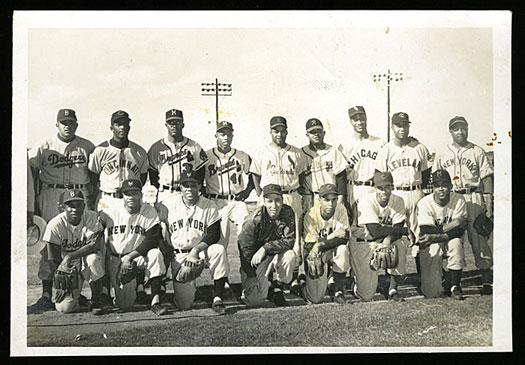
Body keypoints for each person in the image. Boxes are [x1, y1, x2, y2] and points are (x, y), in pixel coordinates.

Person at [27, 108, 96, 313]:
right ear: (57, 125)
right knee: (48, 245)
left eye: (71, 123)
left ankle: (76, 291)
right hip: (51, 195)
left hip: (78, 196)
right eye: (63, 123)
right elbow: (30, 173)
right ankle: (47, 294)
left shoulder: (86, 146)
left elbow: (94, 176)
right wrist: (34, 203)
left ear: (76, 124)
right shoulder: (43, 146)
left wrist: (90, 200)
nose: (67, 126)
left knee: (79, 243)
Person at [432, 116, 494, 294]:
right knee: (452, 238)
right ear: (450, 131)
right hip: (451, 199)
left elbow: (487, 178)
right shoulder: (442, 152)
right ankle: (453, 282)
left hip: (473, 196)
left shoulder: (477, 151)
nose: (460, 132)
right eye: (456, 129)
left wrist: (488, 206)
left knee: (479, 240)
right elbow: (436, 178)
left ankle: (486, 281)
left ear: (467, 129)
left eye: (463, 128)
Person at [156, 171, 228, 313]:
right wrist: (165, 248)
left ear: (200, 186)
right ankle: (187, 290)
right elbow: (154, 227)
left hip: (201, 252)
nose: (189, 189)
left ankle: (218, 298)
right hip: (180, 255)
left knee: (219, 250)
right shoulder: (167, 204)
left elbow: (214, 234)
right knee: (184, 305)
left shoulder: (209, 205)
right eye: (186, 185)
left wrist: (196, 250)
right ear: (180, 187)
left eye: (193, 185)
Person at [375, 112, 431, 287]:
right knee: (394, 235)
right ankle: (391, 283)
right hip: (396, 194)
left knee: (420, 235)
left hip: (416, 192)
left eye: (405, 125)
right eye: (398, 125)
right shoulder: (386, 149)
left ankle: (424, 278)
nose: (402, 128)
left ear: (409, 126)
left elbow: (426, 173)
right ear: (392, 127)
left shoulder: (419, 147)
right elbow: (379, 176)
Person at [28, 190, 106, 315]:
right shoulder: (54, 225)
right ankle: (78, 298)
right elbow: (53, 259)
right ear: (62, 207)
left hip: (84, 262)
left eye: (78, 205)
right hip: (67, 269)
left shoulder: (91, 217)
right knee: (64, 308)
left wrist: (70, 256)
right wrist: (60, 284)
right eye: (70, 205)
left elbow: (94, 245)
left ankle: (97, 300)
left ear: (84, 206)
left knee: (94, 259)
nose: (74, 209)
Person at [99, 179, 167, 315]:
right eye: (127, 194)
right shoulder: (109, 212)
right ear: (122, 196)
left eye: (134, 193)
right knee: (125, 304)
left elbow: (152, 240)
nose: (131, 197)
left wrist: (130, 257)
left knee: (155, 254)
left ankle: (155, 301)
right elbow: (97, 235)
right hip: (117, 258)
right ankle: (104, 294)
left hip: (138, 257)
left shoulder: (149, 211)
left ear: (140, 195)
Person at [350, 171, 414, 302]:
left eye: (387, 187)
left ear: (392, 187)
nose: (384, 191)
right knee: (366, 295)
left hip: (383, 240)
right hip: (364, 242)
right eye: (380, 188)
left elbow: (397, 228)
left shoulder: (398, 201)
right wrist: (406, 230)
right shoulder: (366, 200)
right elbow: (374, 231)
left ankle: (392, 289)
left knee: (400, 247)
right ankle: (356, 280)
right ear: (375, 188)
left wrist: (388, 240)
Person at [238, 184, 297, 307]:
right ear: (264, 202)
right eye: (269, 201)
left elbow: (290, 240)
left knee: (290, 256)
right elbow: (245, 251)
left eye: (277, 201)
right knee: (254, 301)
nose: (274, 206)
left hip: (271, 253)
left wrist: (265, 248)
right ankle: (268, 288)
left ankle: (277, 287)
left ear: (282, 200)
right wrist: (251, 275)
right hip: (255, 260)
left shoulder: (287, 211)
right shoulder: (253, 220)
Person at [416, 169, 469, 300]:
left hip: (446, 238)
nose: (441, 189)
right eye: (437, 185)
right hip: (429, 241)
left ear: (450, 186)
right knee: (431, 293)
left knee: (456, 242)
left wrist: (438, 235)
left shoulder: (459, 199)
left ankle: (455, 286)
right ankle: (444, 278)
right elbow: (427, 231)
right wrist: (452, 224)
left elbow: (459, 231)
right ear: (432, 187)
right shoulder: (424, 202)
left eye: (444, 185)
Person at [203, 121, 254, 247]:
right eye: (222, 134)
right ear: (216, 136)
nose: (225, 137)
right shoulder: (206, 156)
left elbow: (254, 174)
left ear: (232, 136)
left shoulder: (242, 156)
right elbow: (198, 178)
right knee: (220, 239)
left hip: (236, 201)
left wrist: (247, 191)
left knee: (246, 232)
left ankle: (245, 266)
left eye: (228, 134)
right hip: (216, 201)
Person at [88, 110, 148, 213]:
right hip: (108, 199)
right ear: (111, 128)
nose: (122, 127)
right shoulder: (100, 150)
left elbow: (142, 177)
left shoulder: (139, 152)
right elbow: (93, 177)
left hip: (130, 199)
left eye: (125, 124)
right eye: (118, 124)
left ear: (129, 127)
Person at [300, 184, 351, 305]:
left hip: (329, 249)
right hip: (315, 254)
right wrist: (332, 236)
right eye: (326, 200)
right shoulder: (311, 214)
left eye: (333, 199)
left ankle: (338, 290)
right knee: (315, 299)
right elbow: (310, 245)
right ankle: (302, 283)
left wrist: (321, 243)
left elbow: (344, 238)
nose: (330, 203)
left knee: (343, 250)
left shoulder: (340, 209)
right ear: (319, 200)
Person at [147, 109, 208, 203]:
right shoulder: (156, 148)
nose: (174, 125)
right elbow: (153, 175)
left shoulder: (194, 146)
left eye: (177, 122)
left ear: (183, 125)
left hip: (188, 192)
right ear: (166, 125)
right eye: (171, 123)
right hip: (166, 193)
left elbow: (201, 171)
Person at [338, 106, 386, 225]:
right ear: (351, 121)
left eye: (361, 118)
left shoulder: (380, 143)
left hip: (373, 188)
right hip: (353, 188)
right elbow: (340, 175)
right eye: (355, 119)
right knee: (353, 225)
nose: (359, 122)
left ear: (366, 118)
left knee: (374, 224)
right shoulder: (344, 145)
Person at [301, 118, 348, 214]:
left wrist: (340, 200)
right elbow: (299, 178)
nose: (316, 134)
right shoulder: (301, 153)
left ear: (324, 133)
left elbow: (341, 177)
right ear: (307, 135)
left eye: (319, 131)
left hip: (331, 197)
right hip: (312, 197)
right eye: (312, 132)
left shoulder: (333, 151)